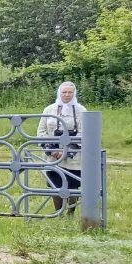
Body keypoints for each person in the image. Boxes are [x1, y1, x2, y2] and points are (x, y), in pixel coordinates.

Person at [37, 81, 86, 214]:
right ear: (59, 92)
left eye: (70, 92)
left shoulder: (81, 110)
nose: (67, 95)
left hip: (73, 155)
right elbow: (41, 131)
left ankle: (70, 213)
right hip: (52, 154)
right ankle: (58, 212)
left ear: (74, 93)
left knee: (73, 184)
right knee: (54, 183)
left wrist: (68, 151)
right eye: (64, 92)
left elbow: (83, 132)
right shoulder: (49, 109)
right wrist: (52, 151)